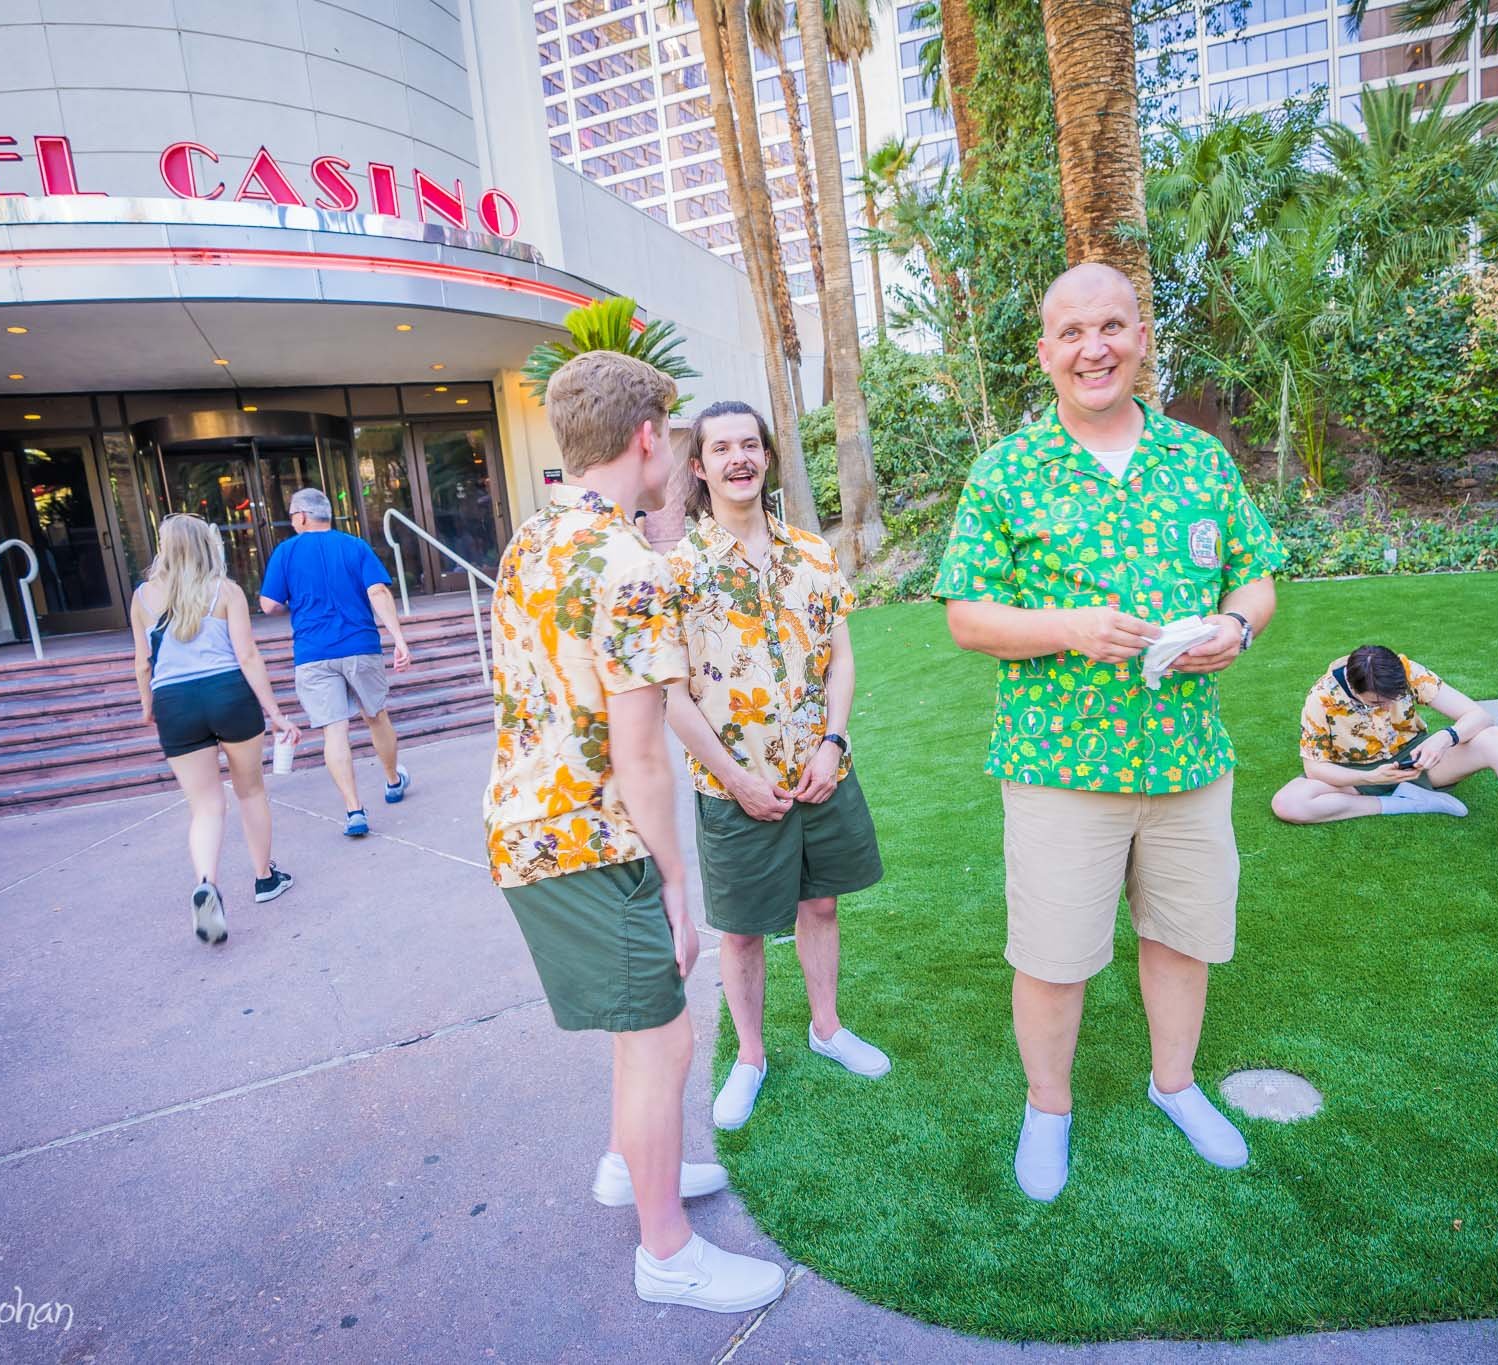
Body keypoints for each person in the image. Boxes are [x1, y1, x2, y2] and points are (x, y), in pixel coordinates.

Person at [933, 262, 1286, 1201]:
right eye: (1074, 333)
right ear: (1046, 352)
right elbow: (967, 615)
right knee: (1053, 954)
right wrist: (1068, 628)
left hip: (1186, 757)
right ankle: (1048, 1109)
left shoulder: (1201, 460)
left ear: (1141, 337)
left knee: (1184, 934)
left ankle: (1175, 1085)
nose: (1095, 348)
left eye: (1113, 327)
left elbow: (1257, 576)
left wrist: (1236, 626)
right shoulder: (1006, 469)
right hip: (1059, 764)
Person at [485, 352, 785, 1313]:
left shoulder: (533, 539)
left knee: (638, 1027)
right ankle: (667, 1253)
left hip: (530, 826)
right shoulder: (633, 564)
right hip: (587, 840)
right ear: (649, 437)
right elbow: (644, 753)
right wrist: (673, 882)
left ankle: (632, 1166)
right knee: (665, 1040)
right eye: (678, 432)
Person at [664, 401, 889, 1132]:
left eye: (751, 444)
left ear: (766, 456)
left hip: (821, 772)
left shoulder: (812, 553)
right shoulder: (675, 570)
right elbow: (672, 696)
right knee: (743, 930)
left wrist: (835, 742)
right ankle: (752, 1056)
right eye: (721, 447)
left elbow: (841, 658)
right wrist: (736, 779)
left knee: (821, 903)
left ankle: (827, 1028)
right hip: (736, 787)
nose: (739, 457)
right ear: (698, 466)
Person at [1271, 644, 1498, 890]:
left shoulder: (1405, 671)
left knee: (1495, 738)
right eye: (1377, 703)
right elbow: (1316, 770)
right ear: (1354, 687)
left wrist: (1446, 737)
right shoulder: (1321, 697)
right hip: (1357, 775)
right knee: (1288, 802)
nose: (1386, 708)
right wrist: (1370, 776)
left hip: (1420, 760)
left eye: (1392, 700)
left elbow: (1478, 714)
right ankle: (1408, 803)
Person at [131, 514, 300, 945]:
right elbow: (247, 655)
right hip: (227, 693)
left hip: (174, 701)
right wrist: (277, 713)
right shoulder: (225, 591)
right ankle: (265, 878)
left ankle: (206, 882)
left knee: (205, 806)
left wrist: (149, 706)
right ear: (207, 545)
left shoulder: (143, 597)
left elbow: (142, 662)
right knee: (251, 791)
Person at [258, 488, 413, 837]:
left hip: (313, 654)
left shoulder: (286, 552)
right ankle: (392, 781)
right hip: (360, 646)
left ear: (300, 516)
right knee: (376, 716)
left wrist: (293, 603)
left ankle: (353, 810)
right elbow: (378, 592)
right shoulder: (355, 546)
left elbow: (268, 605)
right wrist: (399, 640)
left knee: (335, 730)